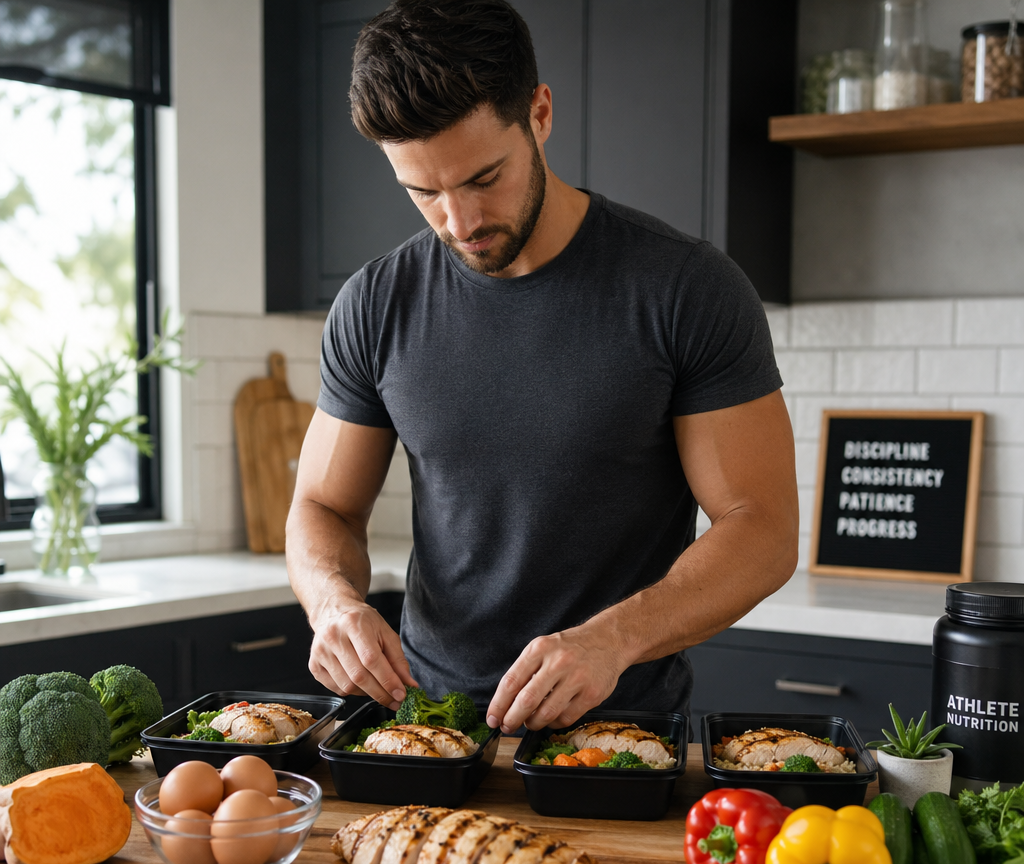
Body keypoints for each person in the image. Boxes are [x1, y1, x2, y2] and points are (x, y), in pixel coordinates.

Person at [286, 0, 799, 736]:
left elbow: (764, 527)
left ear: (540, 112)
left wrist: (614, 639)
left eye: (483, 177)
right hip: (427, 731)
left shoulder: (686, 289)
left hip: (615, 738)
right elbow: (322, 508)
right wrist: (333, 603)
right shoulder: (375, 304)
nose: (459, 222)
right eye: (423, 192)